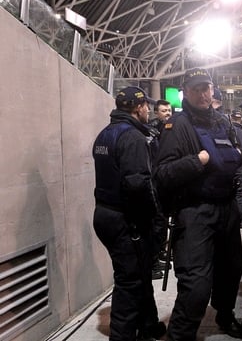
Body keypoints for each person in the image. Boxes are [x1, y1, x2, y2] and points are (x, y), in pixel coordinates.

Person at [153, 68, 242, 341]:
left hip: (226, 210)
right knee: (196, 285)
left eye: (207, 88)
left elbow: (238, 165)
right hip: (194, 212)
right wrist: (197, 161)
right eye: (197, 89)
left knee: (231, 272)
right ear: (186, 93)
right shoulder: (176, 126)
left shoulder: (223, 122)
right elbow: (162, 174)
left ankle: (225, 317)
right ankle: (179, 335)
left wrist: (238, 206)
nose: (204, 94)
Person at [92, 86, 166, 341]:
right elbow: (138, 185)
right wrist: (154, 220)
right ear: (138, 108)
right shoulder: (133, 137)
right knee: (130, 281)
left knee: (139, 273)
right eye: (146, 106)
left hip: (105, 214)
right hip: (127, 220)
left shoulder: (105, 134)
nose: (149, 110)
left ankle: (148, 325)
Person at [147, 99, 173, 280]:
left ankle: (159, 255)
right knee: (156, 225)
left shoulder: (169, 129)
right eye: (164, 110)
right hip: (154, 183)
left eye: (169, 110)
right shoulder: (152, 131)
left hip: (164, 184)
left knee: (163, 223)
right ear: (157, 112)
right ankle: (152, 263)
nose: (168, 113)